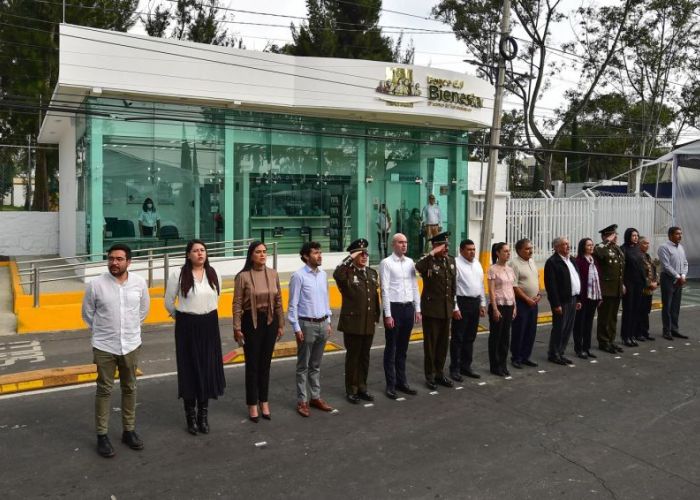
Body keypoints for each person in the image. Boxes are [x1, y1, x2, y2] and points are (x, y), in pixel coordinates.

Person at [81, 243, 150, 458]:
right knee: (104, 389)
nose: (114, 262)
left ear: (128, 262)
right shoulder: (96, 285)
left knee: (130, 387)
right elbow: (87, 314)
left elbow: (143, 311)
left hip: (130, 344)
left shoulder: (139, 283)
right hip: (104, 345)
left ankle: (128, 431)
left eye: (119, 259)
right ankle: (102, 435)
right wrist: (103, 331)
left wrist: (128, 329)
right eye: (111, 258)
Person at [164, 239, 225, 435]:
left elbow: (217, 298)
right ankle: (190, 416)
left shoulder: (213, 274)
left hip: (209, 325)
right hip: (186, 326)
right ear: (188, 254)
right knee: (189, 369)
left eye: (203, 250)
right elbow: (168, 302)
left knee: (207, 369)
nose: (200, 253)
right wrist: (180, 317)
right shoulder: (178, 275)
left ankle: (203, 416)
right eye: (195, 251)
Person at [233, 241, 285, 422]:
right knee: (253, 365)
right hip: (251, 322)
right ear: (251, 255)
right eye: (258, 252)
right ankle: (252, 404)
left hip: (270, 321)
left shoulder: (273, 274)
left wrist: (281, 324)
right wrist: (237, 327)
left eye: (264, 251)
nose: (262, 255)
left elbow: (278, 300)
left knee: (266, 365)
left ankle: (264, 401)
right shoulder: (243, 276)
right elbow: (237, 304)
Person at [288, 242, 334, 417]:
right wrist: (296, 327)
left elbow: (326, 299)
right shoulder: (298, 276)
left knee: (316, 365)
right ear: (306, 256)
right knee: (303, 366)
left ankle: (315, 397)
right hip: (306, 325)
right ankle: (302, 401)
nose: (320, 255)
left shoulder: (322, 275)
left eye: (320, 252)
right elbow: (292, 305)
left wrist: (328, 321)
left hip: (323, 324)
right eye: (316, 253)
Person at [334, 238, 380, 404]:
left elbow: (375, 297)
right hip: (353, 323)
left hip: (368, 322)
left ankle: (362, 387)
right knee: (353, 357)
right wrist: (350, 258)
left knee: (365, 357)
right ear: (353, 256)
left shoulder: (371, 273)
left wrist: (376, 316)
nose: (364, 256)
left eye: (365, 253)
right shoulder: (347, 273)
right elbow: (337, 274)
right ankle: (351, 389)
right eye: (360, 254)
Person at [379, 233, 421, 399]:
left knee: (403, 349)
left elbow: (414, 286)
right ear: (393, 245)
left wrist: (417, 309)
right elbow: (385, 289)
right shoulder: (386, 263)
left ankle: (401, 382)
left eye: (406, 242)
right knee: (392, 348)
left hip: (408, 308)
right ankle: (390, 385)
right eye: (400, 242)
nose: (404, 245)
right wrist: (388, 315)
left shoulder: (410, 262)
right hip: (394, 309)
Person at [416, 231, 456, 390]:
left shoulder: (451, 261)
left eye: (447, 245)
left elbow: (453, 286)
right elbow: (418, 267)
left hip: (446, 310)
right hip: (432, 311)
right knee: (431, 345)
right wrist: (432, 253)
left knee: (443, 344)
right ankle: (430, 375)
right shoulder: (428, 261)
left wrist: (452, 306)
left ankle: (440, 373)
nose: (446, 248)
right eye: (443, 245)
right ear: (435, 246)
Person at [450, 239, 486, 381]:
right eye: (469, 249)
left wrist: (482, 303)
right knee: (458, 338)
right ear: (461, 250)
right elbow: (453, 287)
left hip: (475, 302)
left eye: (473, 249)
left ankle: (466, 366)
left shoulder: (477, 264)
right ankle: (455, 369)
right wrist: (455, 307)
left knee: (470, 337)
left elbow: (481, 285)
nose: (472, 252)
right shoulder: (456, 264)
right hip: (462, 303)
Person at [544, 237, 581, 365]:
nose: (567, 246)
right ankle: (553, 353)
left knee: (568, 329)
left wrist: (578, 298)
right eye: (564, 244)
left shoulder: (572, 260)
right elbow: (551, 286)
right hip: (562, 301)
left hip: (573, 298)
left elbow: (576, 278)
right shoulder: (553, 262)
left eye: (568, 244)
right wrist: (556, 304)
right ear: (557, 247)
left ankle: (561, 352)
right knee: (559, 328)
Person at [508, 238, 541, 369]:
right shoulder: (514, 264)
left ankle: (526, 356)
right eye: (527, 249)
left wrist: (538, 295)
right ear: (519, 250)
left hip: (534, 302)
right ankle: (516, 357)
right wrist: (527, 299)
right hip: (522, 303)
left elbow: (536, 279)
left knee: (531, 331)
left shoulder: (532, 261)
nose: (530, 251)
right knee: (519, 330)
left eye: (531, 248)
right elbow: (514, 286)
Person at [594, 224, 625, 354]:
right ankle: (603, 341)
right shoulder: (600, 247)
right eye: (613, 235)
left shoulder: (617, 249)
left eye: (616, 235)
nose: (616, 237)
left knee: (613, 317)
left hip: (616, 288)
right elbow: (600, 256)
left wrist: (622, 284)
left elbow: (620, 269)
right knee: (604, 317)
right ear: (605, 236)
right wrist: (607, 241)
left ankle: (611, 340)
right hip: (606, 289)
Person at [487, 242, 516, 377]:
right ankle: (495, 365)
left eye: (509, 251)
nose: (508, 253)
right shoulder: (493, 269)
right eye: (505, 251)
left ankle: (503, 364)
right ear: (497, 253)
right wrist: (494, 308)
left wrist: (514, 306)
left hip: (509, 305)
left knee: (506, 337)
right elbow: (491, 290)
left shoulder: (510, 269)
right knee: (496, 337)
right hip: (498, 305)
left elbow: (511, 288)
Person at [658, 226, 689, 340]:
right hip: (668, 279)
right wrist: (678, 276)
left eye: (680, 233)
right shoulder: (664, 248)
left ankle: (674, 329)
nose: (680, 236)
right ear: (670, 235)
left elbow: (685, 263)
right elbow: (666, 266)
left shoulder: (681, 247)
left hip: (679, 279)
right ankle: (666, 331)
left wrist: (683, 276)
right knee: (667, 306)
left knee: (676, 306)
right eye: (677, 234)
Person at [573, 238, 601, 359]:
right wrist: (578, 299)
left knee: (589, 324)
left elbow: (598, 279)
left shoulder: (594, 260)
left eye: (592, 245)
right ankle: (579, 349)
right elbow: (577, 281)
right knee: (580, 324)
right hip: (583, 297)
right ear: (583, 247)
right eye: (588, 245)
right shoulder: (578, 261)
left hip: (593, 297)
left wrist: (599, 296)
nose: (591, 247)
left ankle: (587, 347)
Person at [620, 228, 645, 347]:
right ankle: (625, 336)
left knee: (636, 309)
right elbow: (621, 269)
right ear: (628, 236)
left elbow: (641, 266)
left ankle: (632, 335)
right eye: (633, 235)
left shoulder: (637, 249)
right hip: (628, 283)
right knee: (628, 310)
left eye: (637, 235)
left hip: (638, 284)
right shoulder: (623, 249)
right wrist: (622, 284)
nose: (635, 237)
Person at [638, 236, 658, 342]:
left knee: (646, 311)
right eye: (645, 243)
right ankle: (638, 332)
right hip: (642, 288)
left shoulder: (647, 256)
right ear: (639, 244)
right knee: (640, 311)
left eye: (648, 243)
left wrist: (655, 282)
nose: (647, 245)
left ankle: (645, 332)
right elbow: (640, 273)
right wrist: (649, 283)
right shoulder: (638, 256)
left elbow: (653, 270)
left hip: (649, 289)